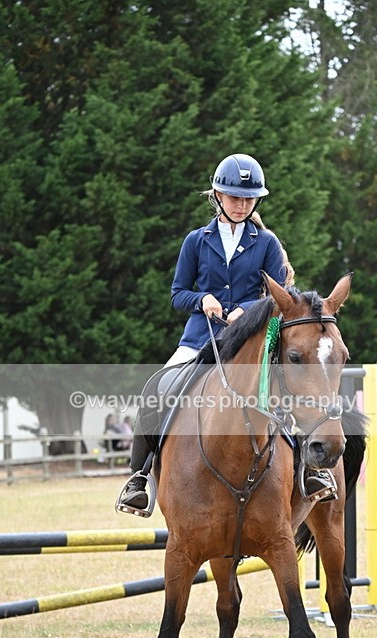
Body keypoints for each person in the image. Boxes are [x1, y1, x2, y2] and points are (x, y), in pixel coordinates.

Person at [117, 153, 333, 514]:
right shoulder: (195, 241)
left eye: (249, 198)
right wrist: (203, 300)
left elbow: (283, 298)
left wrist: (247, 310)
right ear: (218, 195)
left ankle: (308, 472)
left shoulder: (266, 243)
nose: (242, 204)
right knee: (157, 387)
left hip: (253, 342)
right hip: (201, 337)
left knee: (288, 388)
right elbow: (177, 293)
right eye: (235, 197)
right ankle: (138, 477)